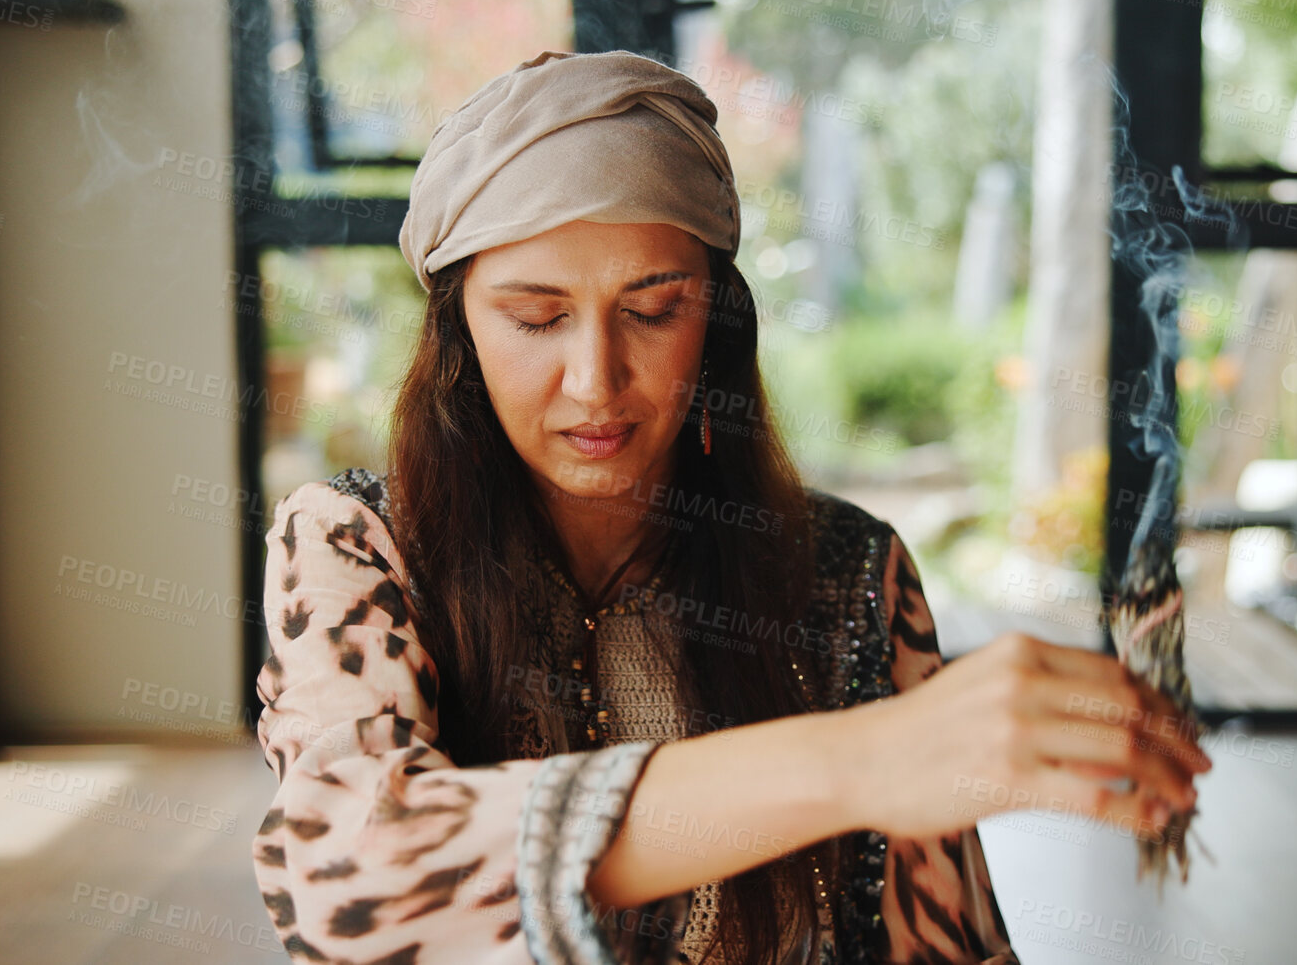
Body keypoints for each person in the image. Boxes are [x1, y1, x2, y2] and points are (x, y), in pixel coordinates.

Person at [249, 49, 1210, 965]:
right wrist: (862, 760)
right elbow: (347, 876)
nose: (595, 380)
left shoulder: (846, 574)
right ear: (457, 331)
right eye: (536, 318)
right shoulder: (356, 543)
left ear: (714, 319)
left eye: (653, 309)